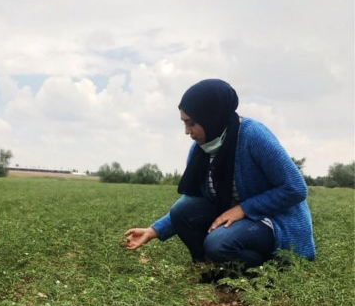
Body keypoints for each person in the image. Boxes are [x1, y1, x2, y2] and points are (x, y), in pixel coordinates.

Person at [124, 79, 314, 277]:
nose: (187, 131)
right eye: (184, 123)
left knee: (218, 244)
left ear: (210, 117)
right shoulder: (201, 149)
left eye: (191, 123)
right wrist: (154, 231)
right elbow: (194, 200)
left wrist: (243, 209)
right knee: (183, 209)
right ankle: (210, 267)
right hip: (238, 219)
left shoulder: (253, 135)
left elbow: (295, 188)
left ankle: (274, 268)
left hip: (274, 220)